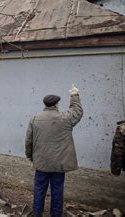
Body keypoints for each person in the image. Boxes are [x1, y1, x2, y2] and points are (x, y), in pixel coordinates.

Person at [25, 84, 83, 217]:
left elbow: (29, 140)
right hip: (59, 164)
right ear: (56, 104)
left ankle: (37, 213)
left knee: (39, 189)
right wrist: (74, 95)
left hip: (41, 162)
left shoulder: (35, 118)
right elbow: (77, 112)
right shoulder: (65, 118)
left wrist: (30, 156)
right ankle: (56, 214)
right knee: (57, 190)